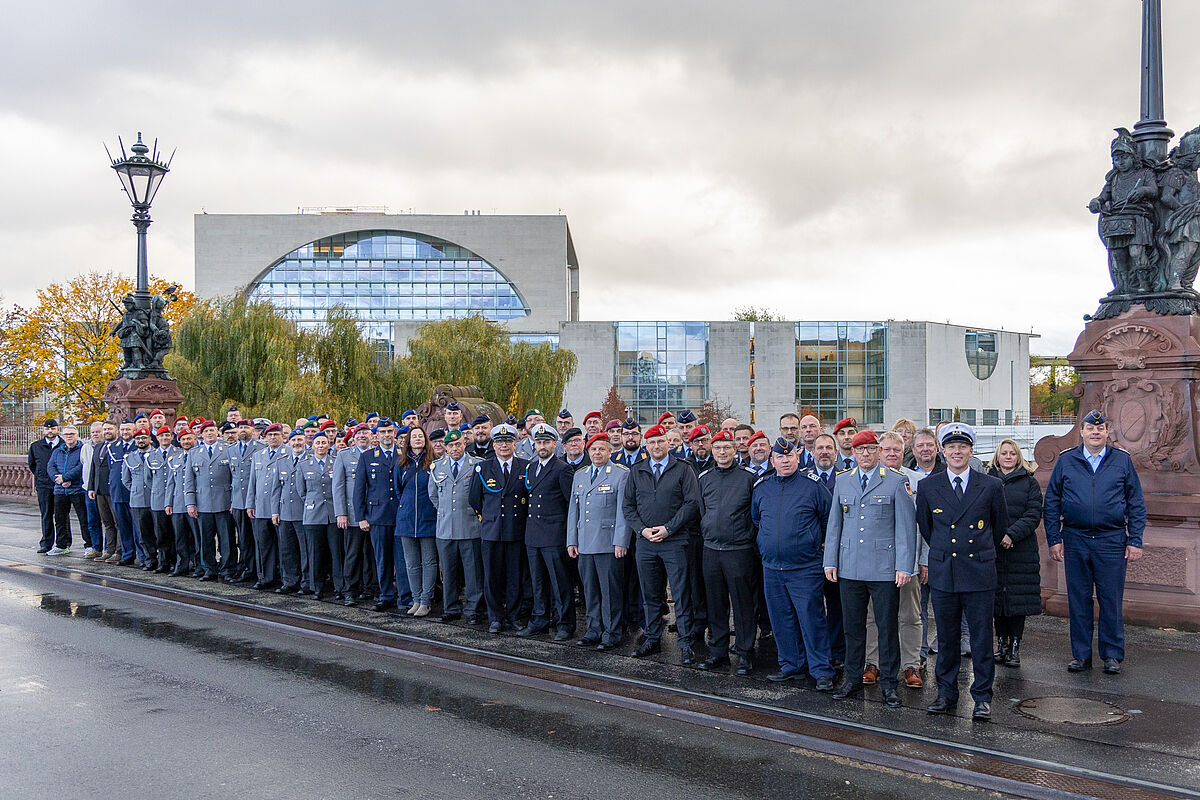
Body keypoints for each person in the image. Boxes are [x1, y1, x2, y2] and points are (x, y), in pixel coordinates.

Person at [916, 422, 1009, 721]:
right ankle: (946, 693)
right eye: (952, 447)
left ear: (971, 451)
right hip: (945, 570)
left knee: (981, 638)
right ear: (943, 451)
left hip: (978, 570)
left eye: (963, 447)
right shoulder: (929, 486)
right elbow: (927, 527)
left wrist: (979, 551)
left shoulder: (991, 485)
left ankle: (982, 696)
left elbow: (999, 527)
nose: (957, 452)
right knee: (946, 637)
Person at [1043, 409, 1145, 675]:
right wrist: (1054, 538)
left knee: (1110, 599)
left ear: (1107, 432)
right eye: (1090, 428)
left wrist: (1135, 539)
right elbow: (1052, 501)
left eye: (1100, 429)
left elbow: (1135, 502)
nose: (1095, 432)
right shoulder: (1067, 460)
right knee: (1078, 600)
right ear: (1082, 432)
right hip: (1075, 538)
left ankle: (1112, 655)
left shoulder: (1122, 460)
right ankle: (1081, 655)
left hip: (1111, 539)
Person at [824, 429, 917, 709]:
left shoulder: (896, 482)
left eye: (870, 449)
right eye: (860, 449)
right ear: (852, 453)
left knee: (887, 627)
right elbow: (834, 525)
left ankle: (889, 683)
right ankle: (852, 678)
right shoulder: (843, 481)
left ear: (878, 451)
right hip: (850, 567)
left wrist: (904, 566)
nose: (865, 454)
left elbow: (905, 528)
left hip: (884, 568)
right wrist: (830, 560)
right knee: (853, 628)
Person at [754, 437, 835, 688]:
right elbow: (757, 519)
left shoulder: (813, 486)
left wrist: (814, 542)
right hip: (772, 567)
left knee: (812, 619)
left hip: (805, 567)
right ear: (772, 460)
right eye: (780, 456)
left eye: (789, 456)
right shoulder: (762, 487)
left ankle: (821, 670)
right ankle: (792, 665)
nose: (785, 460)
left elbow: (828, 518)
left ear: (798, 458)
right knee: (781, 619)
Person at [621, 424, 700, 665]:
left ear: (668, 444)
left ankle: (685, 642)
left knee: (681, 593)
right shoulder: (638, 470)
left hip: (674, 540)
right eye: (652, 442)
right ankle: (653, 638)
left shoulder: (683, 469)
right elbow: (628, 506)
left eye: (660, 442)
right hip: (646, 542)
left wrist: (668, 529)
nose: (656, 446)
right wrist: (643, 530)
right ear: (646, 446)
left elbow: (692, 503)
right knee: (650, 594)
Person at [865, 432, 927, 689]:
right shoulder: (868, 480)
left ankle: (911, 664)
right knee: (873, 616)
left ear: (905, 452)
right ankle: (873, 663)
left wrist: (923, 560)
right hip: (876, 563)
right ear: (879, 452)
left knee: (910, 615)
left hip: (907, 561)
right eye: (887, 450)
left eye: (897, 450)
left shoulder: (918, 481)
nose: (892, 454)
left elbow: (924, 526)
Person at [697, 431, 760, 675]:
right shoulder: (704, 478)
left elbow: (755, 514)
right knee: (716, 603)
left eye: (727, 448)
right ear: (712, 450)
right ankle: (718, 653)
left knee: (743, 605)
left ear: (736, 449)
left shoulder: (748, 478)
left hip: (739, 550)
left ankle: (745, 653)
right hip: (712, 550)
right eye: (718, 448)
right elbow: (702, 511)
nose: (722, 452)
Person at [567, 433, 631, 650]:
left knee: (610, 591)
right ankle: (593, 630)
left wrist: (621, 541)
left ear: (610, 452)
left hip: (608, 543)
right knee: (589, 591)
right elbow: (573, 511)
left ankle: (612, 632)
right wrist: (571, 540)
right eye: (593, 449)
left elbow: (624, 512)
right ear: (588, 451)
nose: (597, 453)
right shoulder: (580, 475)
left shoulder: (621, 475)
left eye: (602, 449)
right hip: (584, 543)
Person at [987, 438, 1043, 668]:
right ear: (997, 457)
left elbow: (1033, 514)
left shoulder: (1030, 482)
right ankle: (1001, 643)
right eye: (1004, 453)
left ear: (1018, 457)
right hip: (994, 550)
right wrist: (998, 536)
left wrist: (1011, 535)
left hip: (1021, 551)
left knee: (1018, 601)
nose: (1008, 457)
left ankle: (1015, 647)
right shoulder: (988, 481)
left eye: (1012, 453)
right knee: (997, 600)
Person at [470, 423, 530, 633]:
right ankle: (495, 616)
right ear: (493, 445)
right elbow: (474, 499)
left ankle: (513, 616)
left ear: (515, 443)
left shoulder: (525, 466)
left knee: (515, 576)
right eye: (499, 442)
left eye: (508, 441)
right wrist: (488, 518)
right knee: (492, 576)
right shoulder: (483, 467)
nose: (504, 445)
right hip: (491, 531)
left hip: (516, 530)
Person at [518, 424, 577, 640]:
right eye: (539, 442)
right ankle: (539, 620)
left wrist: (570, 537)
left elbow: (571, 505)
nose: (542, 446)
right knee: (538, 581)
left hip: (554, 535)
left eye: (546, 442)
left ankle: (565, 624)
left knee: (560, 582)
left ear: (555, 444)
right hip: (533, 534)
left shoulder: (562, 469)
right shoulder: (531, 468)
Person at [354, 418, 411, 613]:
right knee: (382, 559)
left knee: (402, 559)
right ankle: (386, 595)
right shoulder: (368, 456)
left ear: (394, 433)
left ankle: (405, 597)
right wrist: (361, 517)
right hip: (377, 515)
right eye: (382, 432)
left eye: (389, 431)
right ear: (376, 435)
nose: (386, 435)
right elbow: (359, 489)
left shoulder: (404, 454)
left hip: (400, 515)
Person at [428, 429, 485, 625]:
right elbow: (433, 496)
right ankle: (450, 607)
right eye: (450, 445)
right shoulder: (437, 467)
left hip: (470, 527)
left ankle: (473, 609)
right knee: (448, 572)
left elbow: (482, 497)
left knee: (473, 572)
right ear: (445, 446)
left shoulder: (477, 465)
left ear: (465, 443)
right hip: (445, 528)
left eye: (458, 444)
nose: (454, 448)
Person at [804, 433, 845, 668]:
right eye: (820, 448)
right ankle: (814, 651)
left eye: (829, 447)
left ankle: (837, 651)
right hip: (811, 554)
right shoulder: (803, 478)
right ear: (813, 452)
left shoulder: (846, 478)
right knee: (811, 605)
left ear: (836, 453)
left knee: (837, 604)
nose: (824, 452)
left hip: (838, 554)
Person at [185, 421, 237, 582]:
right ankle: (209, 568)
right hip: (203, 502)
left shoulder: (228, 450)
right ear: (201, 434)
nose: (209, 433)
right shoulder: (194, 453)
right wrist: (190, 503)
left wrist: (233, 501)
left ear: (218, 433)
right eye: (206, 431)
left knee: (227, 539)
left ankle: (228, 569)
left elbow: (234, 478)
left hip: (223, 501)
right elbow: (189, 480)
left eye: (212, 430)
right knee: (205, 539)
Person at [395, 426, 438, 616]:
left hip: (428, 518)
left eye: (420, 436)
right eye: (414, 437)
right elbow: (398, 491)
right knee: (411, 563)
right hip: (406, 519)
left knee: (428, 561)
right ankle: (415, 599)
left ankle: (426, 601)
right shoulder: (401, 464)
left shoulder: (434, 462)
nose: (417, 439)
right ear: (408, 442)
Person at [299, 431, 342, 601]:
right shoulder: (304, 464)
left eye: (324, 443)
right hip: (313, 514)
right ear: (312, 445)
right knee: (315, 553)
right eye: (318, 443)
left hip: (332, 514)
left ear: (329, 445)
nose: (321, 446)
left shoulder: (335, 462)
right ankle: (317, 587)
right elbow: (301, 491)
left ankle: (339, 588)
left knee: (336, 553)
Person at [246, 423, 287, 591]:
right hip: (261, 506)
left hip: (282, 507)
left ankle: (285, 579)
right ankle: (265, 578)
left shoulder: (289, 453)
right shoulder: (258, 455)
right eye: (269, 435)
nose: (272, 438)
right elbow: (252, 482)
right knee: (264, 545)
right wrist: (250, 503)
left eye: (276, 435)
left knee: (284, 546)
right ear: (265, 437)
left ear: (282, 436)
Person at [332, 424, 370, 605]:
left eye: (366, 433)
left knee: (371, 554)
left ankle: (370, 588)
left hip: (374, 514)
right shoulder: (344, 455)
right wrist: (341, 513)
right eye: (359, 433)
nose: (362, 436)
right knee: (353, 554)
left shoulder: (376, 454)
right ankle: (350, 590)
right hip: (353, 514)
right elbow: (338, 486)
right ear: (353, 437)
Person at [272, 429, 311, 594]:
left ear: (305, 442)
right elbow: (276, 489)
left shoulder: (310, 460)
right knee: (287, 550)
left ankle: (306, 582)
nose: (297, 443)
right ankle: (289, 581)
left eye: (300, 440)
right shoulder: (281, 461)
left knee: (305, 550)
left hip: (304, 513)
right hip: (285, 512)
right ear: (289, 442)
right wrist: (275, 512)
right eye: (294, 440)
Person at [230, 418, 263, 583]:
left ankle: (258, 570)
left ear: (253, 430)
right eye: (240, 427)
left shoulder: (260, 449)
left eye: (246, 427)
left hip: (256, 502)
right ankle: (246, 568)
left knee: (258, 538)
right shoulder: (231, 450)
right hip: (238, 502)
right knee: (243, 538)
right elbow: (231, 478)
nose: (243, 430)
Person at [45, 424, 86, 556]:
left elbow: (81, 466)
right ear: (63, 436)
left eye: (72, 434)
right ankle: (62, 545)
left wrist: (66, 477)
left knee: (84, 519)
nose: (69, 436)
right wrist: (59, 479)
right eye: (66, 434)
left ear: (77, 435)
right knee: (60, 519)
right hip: (59, 490)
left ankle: (89, 545)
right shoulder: (58, 451)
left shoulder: (83, 449)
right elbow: (50, 467)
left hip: (77, 489)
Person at [165, 426, 199, 577]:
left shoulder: (199, 455)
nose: (186, 441)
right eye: (183, 439)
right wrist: (168, 502)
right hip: (178, 502)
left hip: (195, 502)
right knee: (180, 537)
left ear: (195, 439)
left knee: (197, 536)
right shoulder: (175, 458)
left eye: (188, 438)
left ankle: (199, 565)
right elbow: (170, 482)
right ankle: (182, 564)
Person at [144, 426, 178, 573]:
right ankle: (163, 562)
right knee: (161, 533)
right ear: (157, 438)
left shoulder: (178, 453)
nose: (164, 438)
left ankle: (176, 562)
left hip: (175, 499)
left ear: (171, 437)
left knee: (177, 532)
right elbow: (148, 479)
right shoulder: (151, 456)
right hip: (158, 499)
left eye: (167, 435)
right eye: (161, 436)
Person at [87, 421, 120, 561]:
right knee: (107, 522)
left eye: (109, 429)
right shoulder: (98, 447)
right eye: (105, 429)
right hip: (99, 490)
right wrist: (91, 487)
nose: (107, 431)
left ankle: (119, 551)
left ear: (116, 430)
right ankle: (109, 550)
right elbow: (93, 469)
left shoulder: (119, 446)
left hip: (114, 490)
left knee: (117, 522)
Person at [123, 428, 156, 569]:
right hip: (138, 500)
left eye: (144, 437)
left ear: (150, 439)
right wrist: (137, 490)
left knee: (160, 532)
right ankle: (149, 560)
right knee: (143, 533)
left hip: (156, 499)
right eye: (138, 438)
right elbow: (126, 480)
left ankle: (165, 560)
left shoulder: (158, 454)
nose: (141, 441)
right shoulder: (129, 457)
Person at [29, 418, 61, 554]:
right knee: (46, 514)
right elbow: (32, 465)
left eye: (53, 428)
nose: (50, 431)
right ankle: (46, 543)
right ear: (44, 430)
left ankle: (62, 543)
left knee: (61, 516)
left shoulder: (63, 444)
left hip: (60, 485)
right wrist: (41, 477)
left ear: (57, 429)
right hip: (43, 485)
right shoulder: (36, 446)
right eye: (48, 429)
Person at [80, 422, 104, 559]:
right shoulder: (85, 448)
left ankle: (109, 548)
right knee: (92, 521)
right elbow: (84, 466)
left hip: (103, 490)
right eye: (93, 432)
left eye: (98, 431)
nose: (95, 434)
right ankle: (96, 547)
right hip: (88, 489)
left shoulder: (107, 447)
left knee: (109, 521)